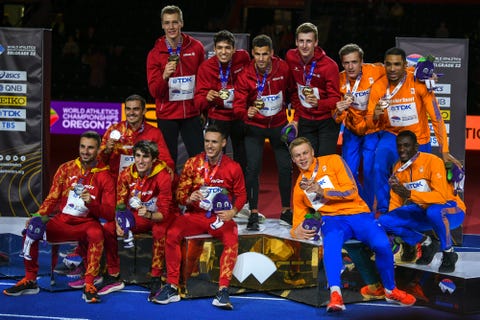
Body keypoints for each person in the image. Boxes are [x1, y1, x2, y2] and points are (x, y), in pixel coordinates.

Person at [288, 137, 416, 312]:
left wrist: (323, 191)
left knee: (382, 244)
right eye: (297, 156)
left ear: (312, 153)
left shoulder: (333, 160)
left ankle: (390, 290)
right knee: (330, 243)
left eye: (304, 153)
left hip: (359, 214)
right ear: (293, 159)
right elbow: (296, 223)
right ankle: (335, 295)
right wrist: (297, 232)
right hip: (333, 220)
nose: (302, 158)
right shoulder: (299, 188)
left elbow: (351, 190)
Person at [3, 131, 115, 303]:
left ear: (98, 149)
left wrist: (91, 203)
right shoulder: (66, 168)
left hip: (86, 224)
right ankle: (30, 279)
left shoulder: (105, 176)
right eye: (82, 146)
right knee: (31, 231)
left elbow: (108, 213)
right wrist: (38, 216)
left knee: (96, 233)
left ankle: (89, 284)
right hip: (62, 222)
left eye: (90, 148)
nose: (85, 151)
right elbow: (53, 197)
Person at [151, 125, 246, 310]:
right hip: (195, 216)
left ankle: (223, 290)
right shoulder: (192, 163)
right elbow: (179, 195)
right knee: (172, 233)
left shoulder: (233, 167)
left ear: (223, 143)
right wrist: (188, 198)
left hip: (219, 217)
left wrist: (233, 212)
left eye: (214, 142)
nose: (210, 146)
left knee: (232, 235)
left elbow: (241, 194)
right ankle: (171, 286)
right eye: (207, 141)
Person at [366, 47, 459, 215]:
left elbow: (437, 118)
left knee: (421, 181)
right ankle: (385, 211)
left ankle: (422, 215)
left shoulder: (418, 83)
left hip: (419, 139)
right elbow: (369, 120)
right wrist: (374, 116)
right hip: (392, 136)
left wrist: (444, 150)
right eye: (388, 64)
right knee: (378, 165)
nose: (392, 69)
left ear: (405, 66)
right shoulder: (379, 87)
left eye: (397, 64)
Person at [378, 130, 465, 273]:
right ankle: (427, 243)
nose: (402, 150)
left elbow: (440, 197)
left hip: (451, 210)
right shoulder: (397, 168)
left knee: (434, 211)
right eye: (399, 146)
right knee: (385, 220)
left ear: (416, 147)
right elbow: (396, 201)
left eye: (406, 146)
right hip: (423, 211)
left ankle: (449, 253)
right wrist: (392, 230)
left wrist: (410, 194)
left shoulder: (433, 161)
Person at [233, 34, 293, 230]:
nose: (260, 58)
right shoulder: (245, 75)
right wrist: (245, 112)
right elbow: (237, 105)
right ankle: (253, 213)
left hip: (279, 125)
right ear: (252, 54)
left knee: (285, 167)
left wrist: (296, 115)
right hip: (255, 128)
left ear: (272, 53)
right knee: (253, 169)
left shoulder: (282, 67)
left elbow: (292, 91)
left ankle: (286, 210)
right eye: (257, 54)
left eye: (265, 54)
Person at [100, 140, 174, 298]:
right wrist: (119, 222)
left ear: (153, 159)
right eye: (137, 156)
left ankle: (156, 277)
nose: (140, 161)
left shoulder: (163, 175)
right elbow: (119, 205)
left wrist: (149, 214)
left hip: (160, 215)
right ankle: (113, 274)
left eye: (145, 157)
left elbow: (164, 213)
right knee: (108, 228)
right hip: (137, 215)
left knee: (159, 230)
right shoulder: (126, 174)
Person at [146, 5, 205, 166]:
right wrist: (164, 75)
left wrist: (202, 108)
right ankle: (169, 192)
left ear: (181, 23)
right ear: (162, 25)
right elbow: (154, 91)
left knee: (198, 158)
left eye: (174, 22)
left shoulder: (196, 47)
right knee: (167, 160)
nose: (171, 27)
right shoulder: (155, 54)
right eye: (167, 23)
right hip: (167, 115)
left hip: (191, 113)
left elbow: (203, 81)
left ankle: (198, 190)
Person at [333, 43, 385, 209]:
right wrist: (338, 110)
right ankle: (357, 204)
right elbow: (335, 116)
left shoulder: (375, 71)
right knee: (349, 173)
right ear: (342, 63)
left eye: (354, 62)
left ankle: (368, 209)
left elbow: (397, 71)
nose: (350, 66)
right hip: (352, 131)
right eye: (346, 63)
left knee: (370, 172)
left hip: (372, 130)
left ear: (361, 61)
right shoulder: (339, 79)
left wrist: (425, 74)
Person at [195, 30, 250, 174]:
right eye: (219, 48)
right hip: (218, 117)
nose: (223, 52)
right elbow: (198, 102)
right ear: (214, 49)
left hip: (239, 115)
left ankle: (241, 190)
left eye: (227, 48)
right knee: (216, 156)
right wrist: (206, 98)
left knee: (242, 156)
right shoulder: (206, 68)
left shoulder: (243, 57)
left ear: (234, 49)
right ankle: (217, 186)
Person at [286, 22, 341, 156]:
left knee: (324, 161)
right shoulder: (290, 57)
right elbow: (293, 89)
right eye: (301, 41)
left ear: (316, 42)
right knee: (307, 161)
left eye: (309, 41)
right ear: (296, 42)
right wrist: (296, 118)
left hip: (327, 121)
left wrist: (319, 103)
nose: (304, 46)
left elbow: (335, 99)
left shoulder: (329, 66)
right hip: (305, 119)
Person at [99, 94, 174, 178]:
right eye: (128, 109)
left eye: (136, 109)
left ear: (144, 111)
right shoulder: (114, 129)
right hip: (116, 180)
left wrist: (168, 168)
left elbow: (165, 159)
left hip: (144, 182)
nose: (131, 113)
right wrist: (107, 150)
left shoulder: (154, 132)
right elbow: (99, 159)